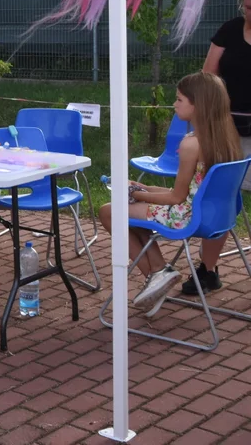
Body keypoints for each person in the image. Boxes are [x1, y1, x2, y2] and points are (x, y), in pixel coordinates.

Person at [100, 72, 243, 316]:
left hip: (186, 216)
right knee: (130, 212)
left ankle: (157, 274)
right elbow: (188, 191)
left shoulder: (192, 143)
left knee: (109, 211)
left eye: (179, 99)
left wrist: (136, 194)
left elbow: (176, 199)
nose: (174, 104)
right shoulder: (226, 138)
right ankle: (158, 272)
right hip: (215, 215)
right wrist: (142, 189)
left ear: (198, 105)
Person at [190, 0, 251, 293]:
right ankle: (208, 271)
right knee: (221, 198)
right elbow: (208, 76)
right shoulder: (230, 30)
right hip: (225, 131)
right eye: (249, 6)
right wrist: (209, 117)